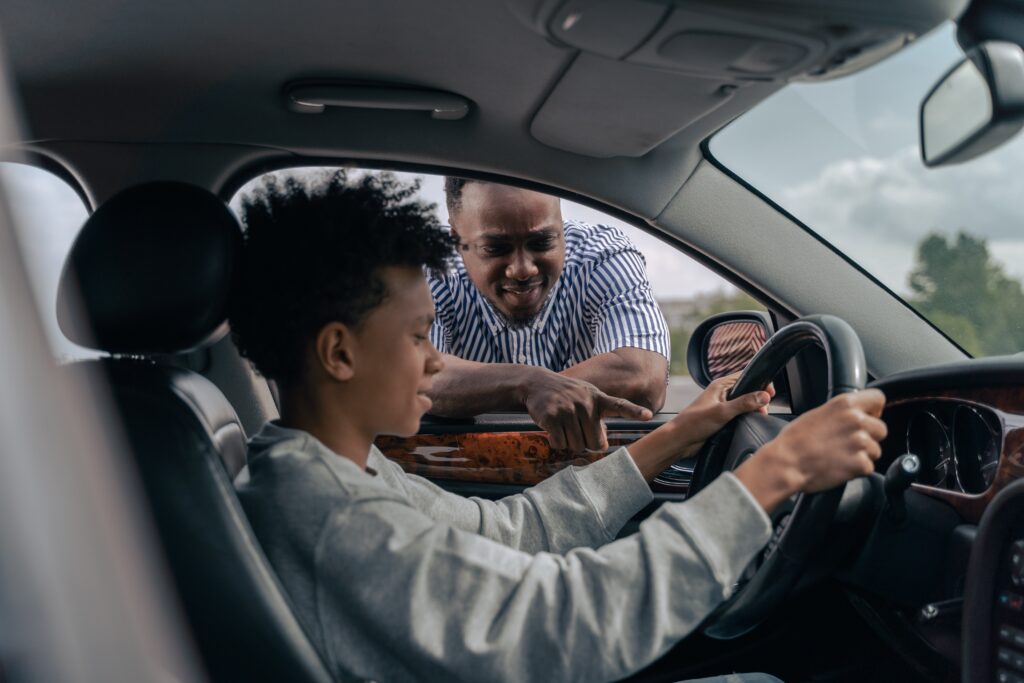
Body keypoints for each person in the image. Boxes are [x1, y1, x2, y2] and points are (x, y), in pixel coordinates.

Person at [229, 170, 887, 683]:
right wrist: (780, 470)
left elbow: (512, 531)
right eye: (419, 336)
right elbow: (559, 622)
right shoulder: (333, 515)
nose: (436, 361)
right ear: (340, 353)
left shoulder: (341, 472)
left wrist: (679, 433)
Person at [428, 178, 671, 450]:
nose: (523, 270)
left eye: (542, 242)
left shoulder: (602, 256)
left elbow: (642, 376)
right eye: (495, 248)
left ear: (561, 226)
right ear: (455, 238)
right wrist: (526, 385)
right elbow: (414, 375)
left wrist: (532, 391)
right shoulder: (425, 263)